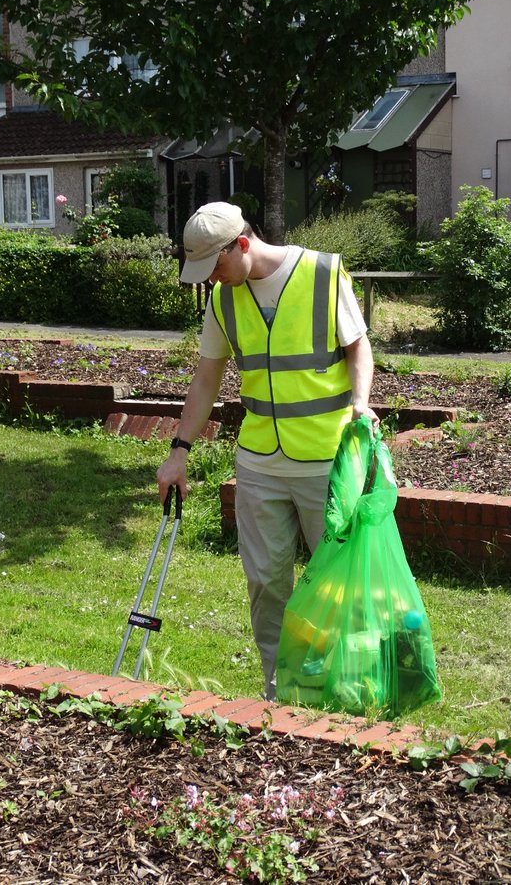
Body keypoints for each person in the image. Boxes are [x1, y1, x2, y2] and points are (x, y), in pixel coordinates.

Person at [156, 201, 379, 699]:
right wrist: (179, 449)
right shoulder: (223, 300)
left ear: (241, 244)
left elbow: (357, 346)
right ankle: (278, 689)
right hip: (259, 462)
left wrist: (361, 405)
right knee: (265, 583)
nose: (211, 279)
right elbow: (206, 377)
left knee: (337, 582)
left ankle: (344, 686)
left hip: (328, 458)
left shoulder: (323, 273)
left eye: (215, 265)